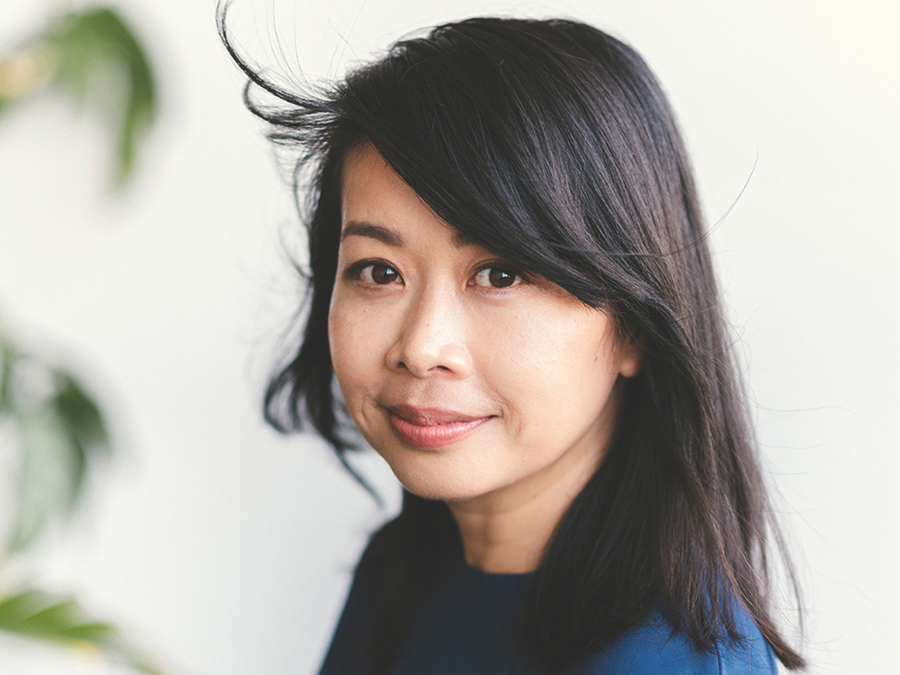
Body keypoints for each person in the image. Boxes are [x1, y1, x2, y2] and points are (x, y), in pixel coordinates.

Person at [220, 12, 805, 674]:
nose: (422, 346)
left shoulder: (661, 660)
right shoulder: (404, 571)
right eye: (380, 271)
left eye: (501, 274)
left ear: (634, 324)